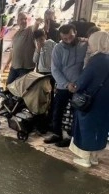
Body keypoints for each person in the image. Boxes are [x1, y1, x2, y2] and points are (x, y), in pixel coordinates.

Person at [68, 31, 109, 167]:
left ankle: (85, 159)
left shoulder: (95, 60)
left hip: (91, 101)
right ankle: (94, 158)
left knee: (86, 128)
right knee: (100, 128)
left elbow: (83, 81)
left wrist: (75, 87)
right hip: (105, 103)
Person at [44, 24, 88, 147]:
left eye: (71, 37)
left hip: (79, 87)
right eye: (65, 39)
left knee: (76, 114)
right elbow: (55, 69)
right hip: (63, 86)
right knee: (57, 110)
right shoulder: (58, 48)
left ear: (76, 32)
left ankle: (72, 138)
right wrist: (66, 84)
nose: (68, 40)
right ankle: (56, 133)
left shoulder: (84, 45)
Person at [4, 12, 43, 85]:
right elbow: (13, 50)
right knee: (9, 87)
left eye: (25, 19)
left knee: (21, 91)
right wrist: (7, 63)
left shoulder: (29, 30)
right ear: (17, 21)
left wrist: (37, 22)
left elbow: (35, 27)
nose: (24, 21)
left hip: (26, 68)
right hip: (14, 67)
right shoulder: (16, 34)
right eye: (21, 19)